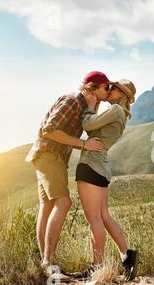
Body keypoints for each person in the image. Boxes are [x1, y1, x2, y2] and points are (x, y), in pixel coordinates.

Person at [25, 71, 110, 269]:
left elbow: (91, 126)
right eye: (106, 87)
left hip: (50, 157)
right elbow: (49, 129)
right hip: (49, 155)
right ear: (93, 88)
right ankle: (48, 262)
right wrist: (83, 144)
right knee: (63, 202)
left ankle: (45, 265)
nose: (108, 91)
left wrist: (93, 107)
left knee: (47, 207)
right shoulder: (73, 100)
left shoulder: (83, 105)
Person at [75, 79, 138, 281]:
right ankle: (127, 256)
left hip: (91, 165)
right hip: (101, 167)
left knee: (94, 218)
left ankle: (97, 266)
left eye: (113, 88)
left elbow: (87, 124)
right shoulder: (121, 114)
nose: (108, 90)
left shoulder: (116, 111)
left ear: (121, 94)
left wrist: (91, 106)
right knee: (103, 215)